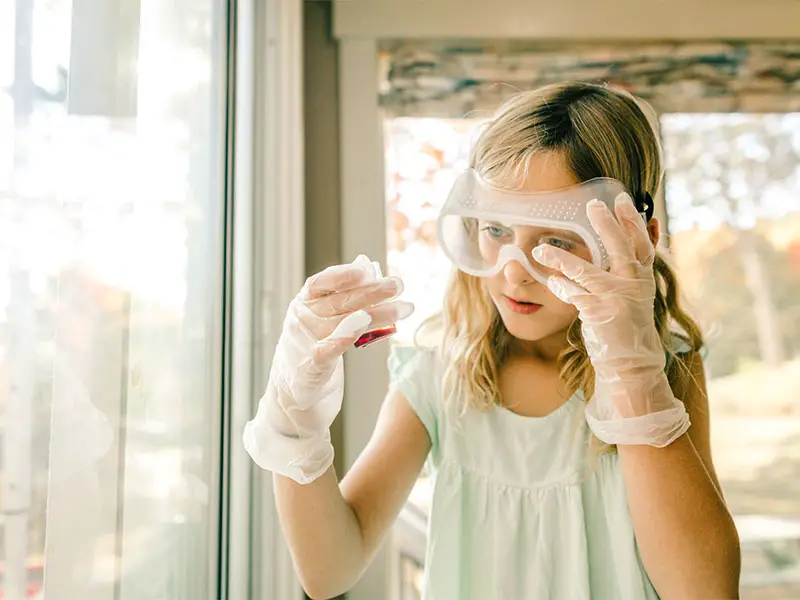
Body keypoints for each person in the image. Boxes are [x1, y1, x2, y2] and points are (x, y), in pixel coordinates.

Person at [243, 82, 741, 599]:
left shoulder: (668, 371)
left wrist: (634, 373)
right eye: (497, 231)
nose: (514, 274)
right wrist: (293, 417)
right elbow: (328, 572)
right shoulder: (441, 372)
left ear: (636, 242)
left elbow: (703, 591)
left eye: (554, 240)